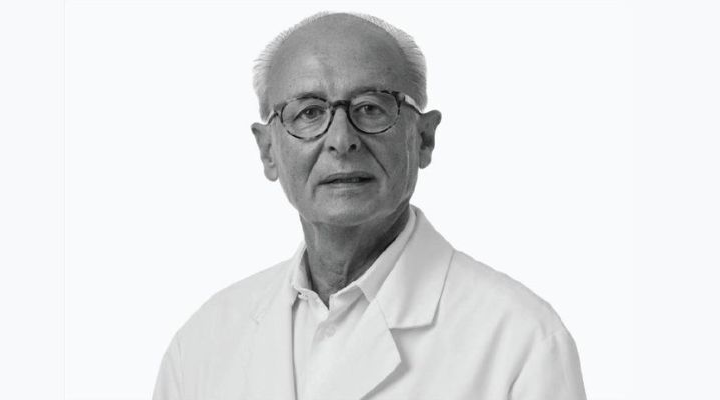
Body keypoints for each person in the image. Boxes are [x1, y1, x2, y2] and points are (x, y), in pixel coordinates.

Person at [153, 11, 587, 400]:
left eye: (370, 108)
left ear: (423, 138)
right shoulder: (202, 345)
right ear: (268, 150)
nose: (342, 140)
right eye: (309, 113)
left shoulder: (521, 341)